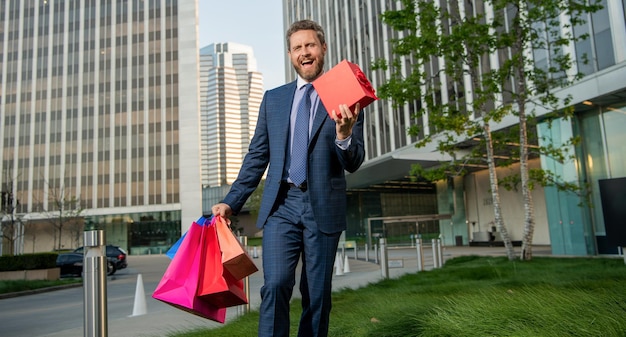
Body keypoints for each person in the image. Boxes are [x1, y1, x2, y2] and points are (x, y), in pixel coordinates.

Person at [212, 19, 365, 337]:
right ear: (290, 54)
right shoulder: (274, 100)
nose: (304, 52)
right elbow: (257, 157)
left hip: (322, 205)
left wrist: (344, 136)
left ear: (323, 48)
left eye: (310, 45)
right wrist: (231, 202)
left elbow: (354, 161)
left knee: (317, 295)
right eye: (298, 47)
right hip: (281, 205)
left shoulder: (344, 93)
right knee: (277, 283)